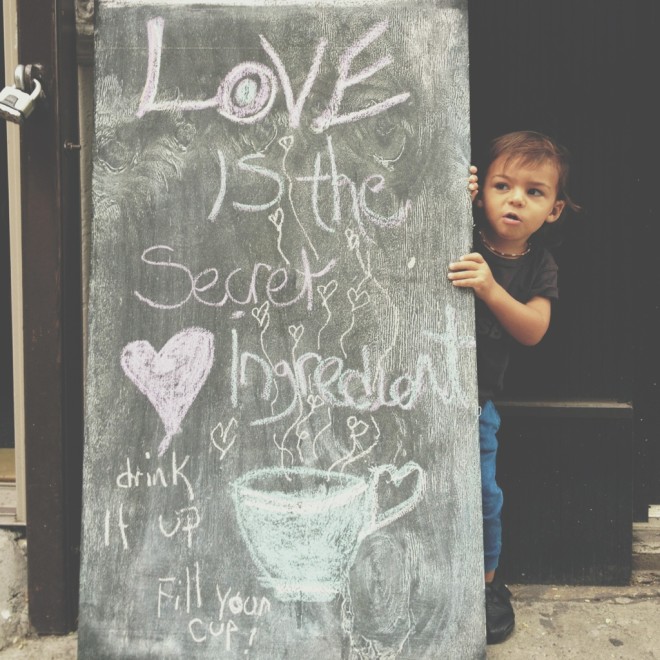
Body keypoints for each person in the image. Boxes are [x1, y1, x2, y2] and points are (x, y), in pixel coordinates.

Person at [448, 130, 578, 644]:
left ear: (554, 210)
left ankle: (487, 586)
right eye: (502, 185)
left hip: (477, 401)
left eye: (534, 191)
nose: (515, 199)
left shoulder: (539, 265)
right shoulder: (456, 231)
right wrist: (448, 194)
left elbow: (533, 330)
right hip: (418, 387)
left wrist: (490, 289)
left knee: (485, 494)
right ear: (481, 191)